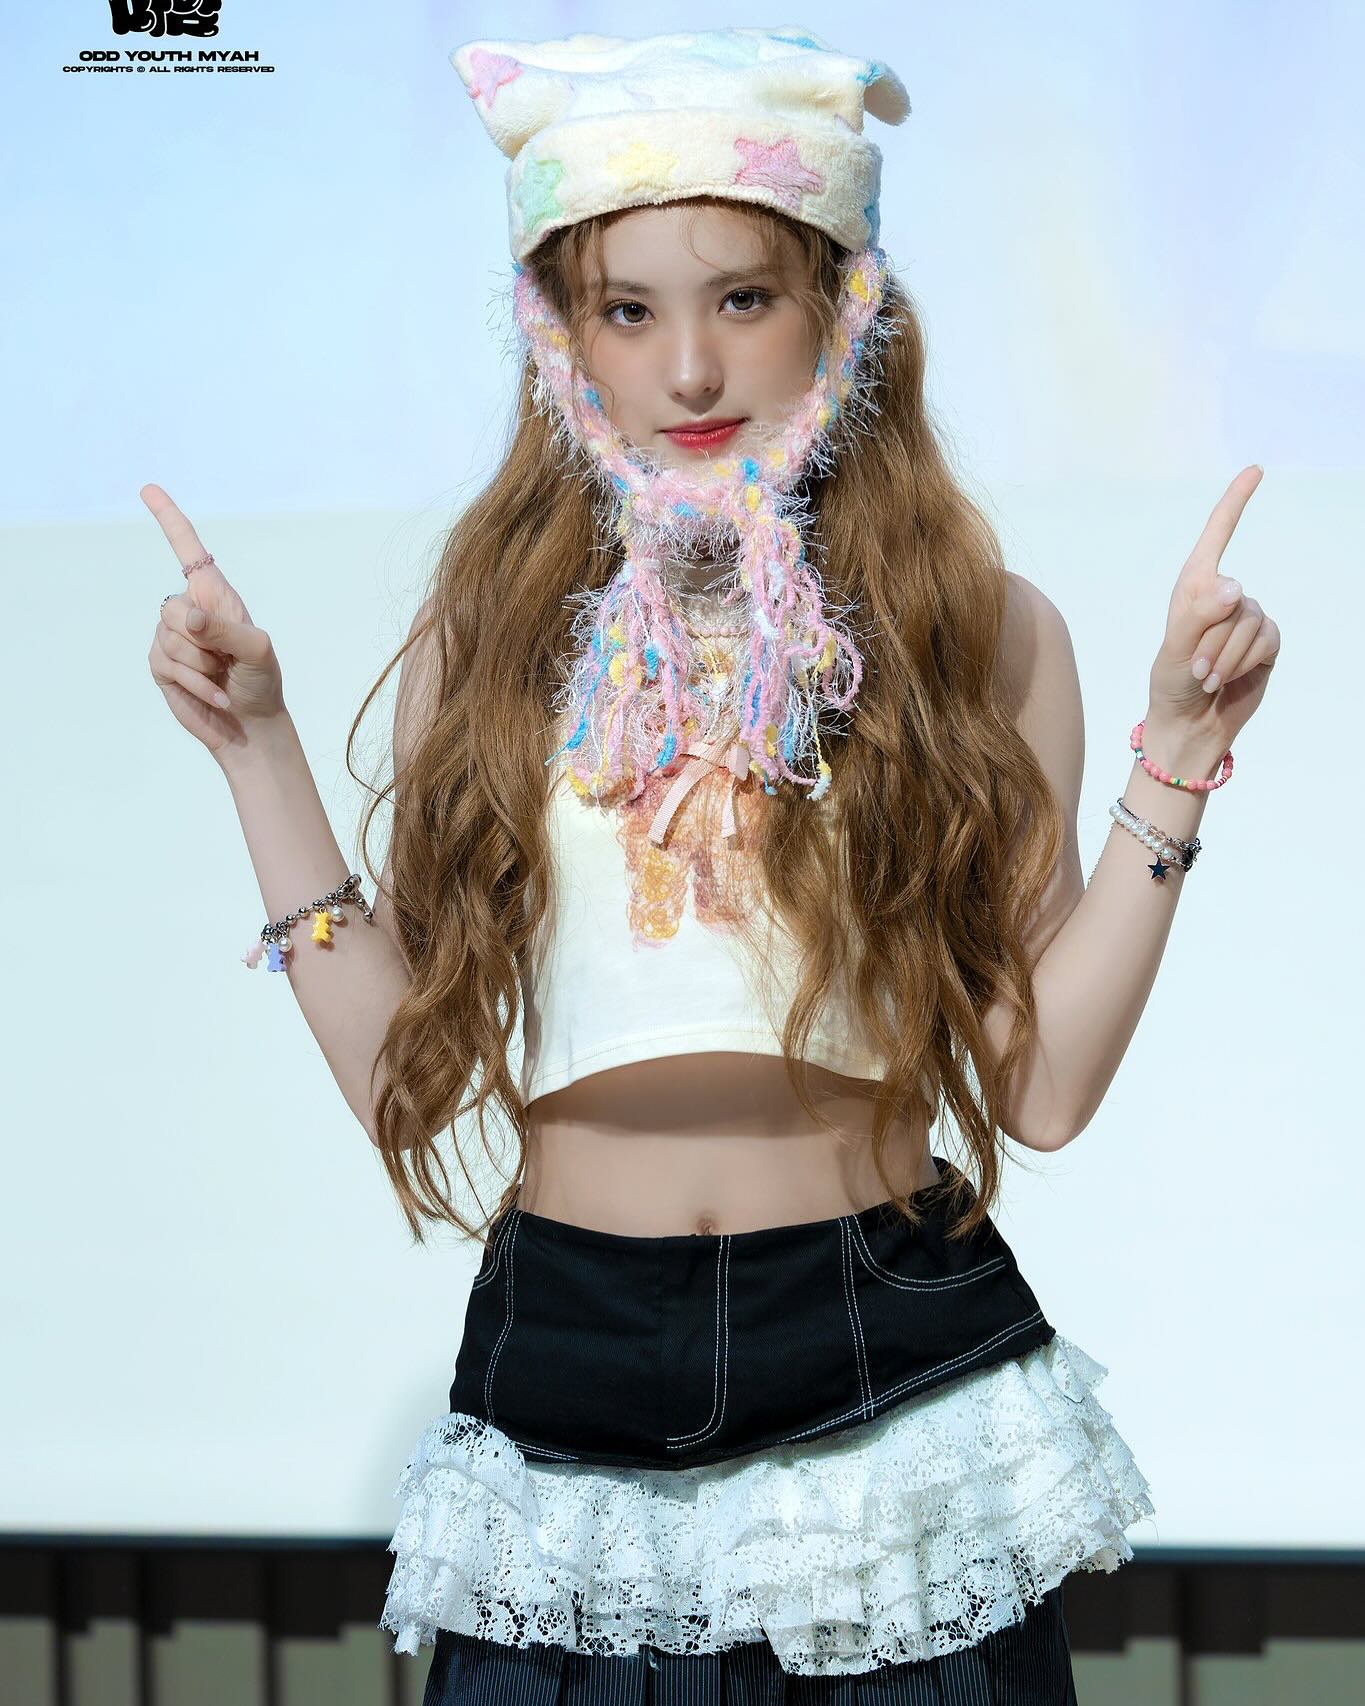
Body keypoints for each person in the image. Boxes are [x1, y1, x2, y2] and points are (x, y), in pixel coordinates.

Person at [145, 24, 1279, 1706]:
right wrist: (258, 749)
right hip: (566, 1380)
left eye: (741, 297)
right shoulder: (491, 635)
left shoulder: (977, 632)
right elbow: (407, 1075)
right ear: (562, 338)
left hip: (888, 1379)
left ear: (839, 303)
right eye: (628, 310)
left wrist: (1176, 748)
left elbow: (1037, 1088)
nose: (687, 369)